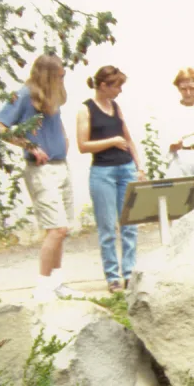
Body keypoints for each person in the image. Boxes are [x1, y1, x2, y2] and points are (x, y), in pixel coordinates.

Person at [0, 54, 86, 303]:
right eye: (59, 75)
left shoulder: (51, 96)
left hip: (60, 165)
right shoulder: (24, 95)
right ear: (47, 74)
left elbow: (56, 123)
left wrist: (64, 140)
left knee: (62, 230)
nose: (63, 79)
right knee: (56, 228)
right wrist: (29, 146)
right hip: (41, 170)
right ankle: (42, 288)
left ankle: (57, 283)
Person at [76, 66, 143, 293]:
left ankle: (129, 273)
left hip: (125, 168)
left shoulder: (116, 107)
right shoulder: (86, 110)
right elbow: (83, 145)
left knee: (130, 226)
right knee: (107, 227)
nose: (120, 91)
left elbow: (128, 138)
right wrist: (111, 141)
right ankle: (113, 277)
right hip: (102, 172)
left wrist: (139, 166)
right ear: (103, 85)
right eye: (117, 86)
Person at [162, 67, 194, 205]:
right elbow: (165, 139)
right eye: (183, 89)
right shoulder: (171, 111)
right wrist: (172, 145)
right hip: (180, 158)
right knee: (177, 204)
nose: (188, 93)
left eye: (192, 88)